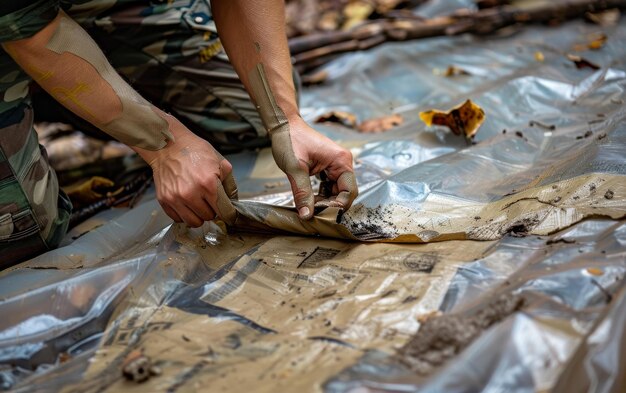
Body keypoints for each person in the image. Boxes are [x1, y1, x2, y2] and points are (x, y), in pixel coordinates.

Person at [0, 0, 358, 267]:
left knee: (251, 114)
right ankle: (45, 97)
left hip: (95, 8)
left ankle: (93, 88)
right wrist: (164, 144)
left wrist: (285, 120)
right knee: (26, 231)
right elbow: (29, 31)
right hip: (19, 23)